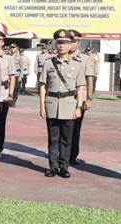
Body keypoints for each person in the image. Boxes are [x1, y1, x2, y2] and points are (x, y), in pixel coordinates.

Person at [39, 30, 86, 178]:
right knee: (53, 139)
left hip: (69, 105)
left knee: (66, 139)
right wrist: (42, 106)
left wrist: (79, 107)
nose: (61, 46)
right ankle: (53, 167)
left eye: (65, 43)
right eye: (59, 43)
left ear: (70, 45)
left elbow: (81, 87)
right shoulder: (48, 63)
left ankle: (64, 167)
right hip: (52, 104)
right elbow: (43, 86)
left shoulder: (77, 64)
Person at [68, 30, 96, 166]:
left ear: (78, 43)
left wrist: (89, 98)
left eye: (74, 41)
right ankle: (62, 153)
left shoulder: (85, 59)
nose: (71, 44)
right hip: (63, 99)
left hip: (78, 98)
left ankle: (72, 155)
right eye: (69, 41)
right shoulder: (59, 56)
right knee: (62, 128)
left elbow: (89, 79)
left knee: (75, 128)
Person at [0, 30, 17, 160]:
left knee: (0, 124)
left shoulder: (8, 58)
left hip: (2, 94)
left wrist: (11, 94)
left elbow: (12, 76)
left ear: (2, 42)